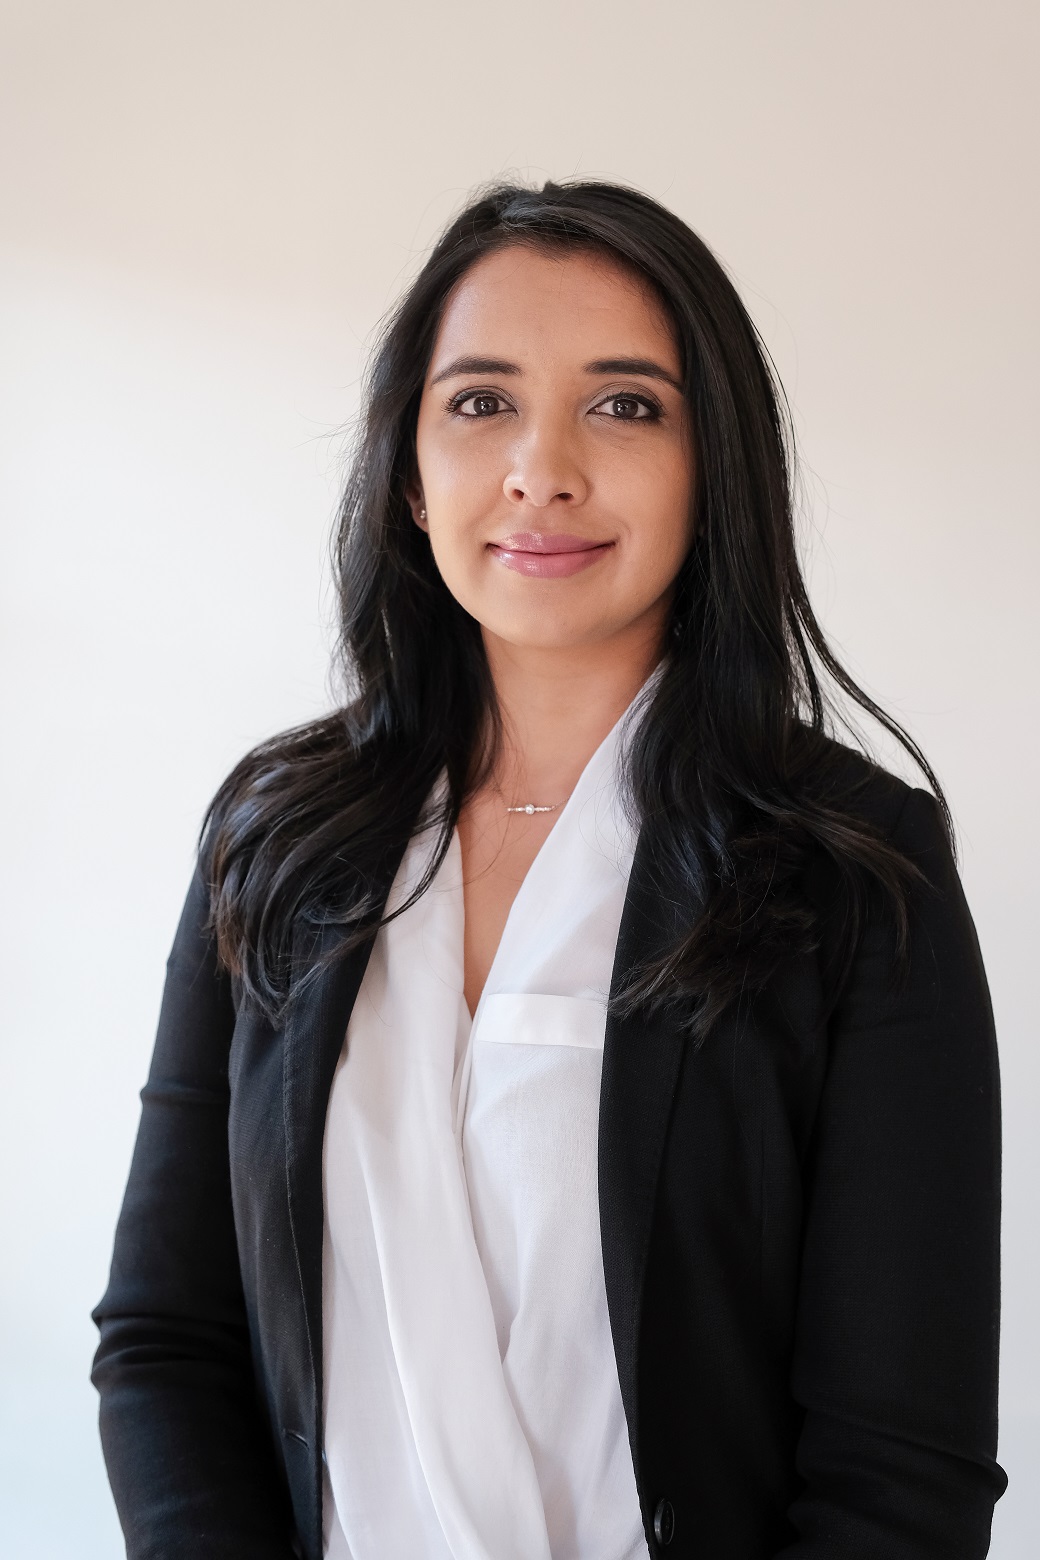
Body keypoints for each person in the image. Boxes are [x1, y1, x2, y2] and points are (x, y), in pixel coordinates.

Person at [91, 180, 1006, 1560]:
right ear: (410, 471)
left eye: (625, 405)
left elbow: (901, 1469)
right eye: (481, 403)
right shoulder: (276, 836)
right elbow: (167, 1338)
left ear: (715, 467)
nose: (542, 469)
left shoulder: (856, 869)